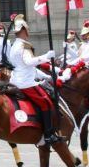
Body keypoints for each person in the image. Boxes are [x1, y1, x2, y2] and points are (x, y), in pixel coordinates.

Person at [9, 17, 61, 146]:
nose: (28, 31)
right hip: (26, 83)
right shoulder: (24, 45)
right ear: (23, 30)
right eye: (27, 29)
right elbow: (29, 62)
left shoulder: (14, 45)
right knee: (46, 103)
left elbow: (27, 67)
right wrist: (46, 56)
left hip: (16, 80)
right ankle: (48, 135)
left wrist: (46, 77)